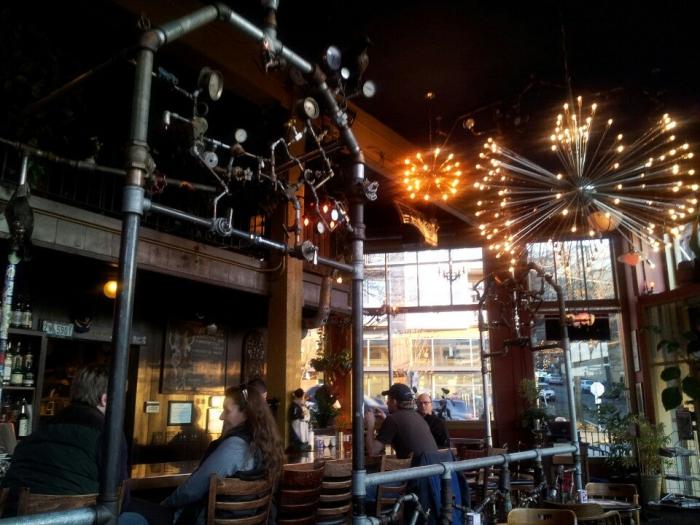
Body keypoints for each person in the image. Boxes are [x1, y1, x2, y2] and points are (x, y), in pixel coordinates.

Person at [1, 365, 145, 523]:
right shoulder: (110, 435)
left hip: (15, 519)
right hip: (76, 519)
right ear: (105, 400)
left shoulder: (42, 428)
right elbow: (120, 500)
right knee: (136, 519)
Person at [162, 384, 284, 525]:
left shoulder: (235, 445)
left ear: (246, 413)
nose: (221, 416)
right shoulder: (264, 444)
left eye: (227, 411)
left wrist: (164, 504)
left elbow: (191, 490)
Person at [364, 383, 438, 461]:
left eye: (388, 399)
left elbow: (372, 451)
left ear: (394, 402)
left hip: (417, 468)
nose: (387, 403)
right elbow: (403, 442)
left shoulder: (393, 419)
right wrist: (385, 420)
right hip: (435, 466)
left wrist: (370, 425)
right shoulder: (417, 416)